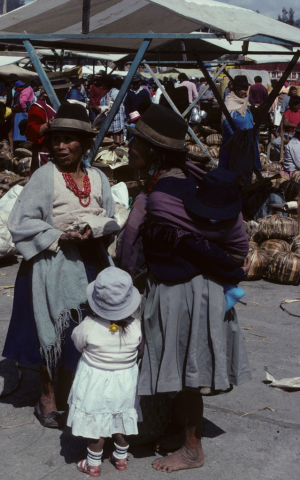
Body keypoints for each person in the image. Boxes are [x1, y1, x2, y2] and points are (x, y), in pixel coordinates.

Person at [117, 105, 251, 473]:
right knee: (180, 363)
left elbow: (130, 252)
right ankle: (179, 431)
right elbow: (236, 243)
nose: (130, 147)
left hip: (185, 294)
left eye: (136, 142)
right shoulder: (191, 183)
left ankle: (193, 449)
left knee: (189, 372)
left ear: (154, 152)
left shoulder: (160, 196)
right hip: (195, 290)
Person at [2, 103, 119, 429]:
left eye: (69, 140)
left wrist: (98, 229)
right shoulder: (45, 177)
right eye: (56, 140)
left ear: (84, 143)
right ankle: (47, 397)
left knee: (85, 334)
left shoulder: (97, 178)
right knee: (50, 332)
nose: (61, 146)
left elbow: (109, 215)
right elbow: (20, 222)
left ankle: (77, 391)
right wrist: (59, 235)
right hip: (49, 267)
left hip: (91, 263)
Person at [68, 266, 142, 477]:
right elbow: (139, 348)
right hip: (125, 381)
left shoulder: (89, 325)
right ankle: (120, 458)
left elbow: (78, 344)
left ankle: (93, 463)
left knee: (96, 423)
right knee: (120, 418)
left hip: (94, 380)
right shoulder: (136, 326)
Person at [219, 75, 261, 185]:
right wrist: (240, 140)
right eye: (243, 89)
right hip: (236, 147)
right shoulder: (230, 104)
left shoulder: (244, 102)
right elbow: (227, 125)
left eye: (246, 89)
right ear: (236, 89)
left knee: (246, 177)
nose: (245, 91)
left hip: (247, 146)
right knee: (232, 177)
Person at [25, 89, 56, 175]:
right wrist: (47, 125)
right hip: (45, 154)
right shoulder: (39, 107)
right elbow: (31, 133)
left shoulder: (64, 105)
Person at [12, 77, 42, 142]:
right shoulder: (28, 90)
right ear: (35, 86)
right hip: (22, 114)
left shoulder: (30, 90)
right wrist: (25, 109)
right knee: (22, 131)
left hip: (25, 113)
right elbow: (22, 101)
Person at [99, 76, 125, 144]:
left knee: (116, 144)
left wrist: (111, 109)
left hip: (116, 121)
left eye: (103, 84)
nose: (101, 86)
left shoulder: (115, 92)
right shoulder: (105, 94)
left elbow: (120, 105)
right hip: (108, 123)